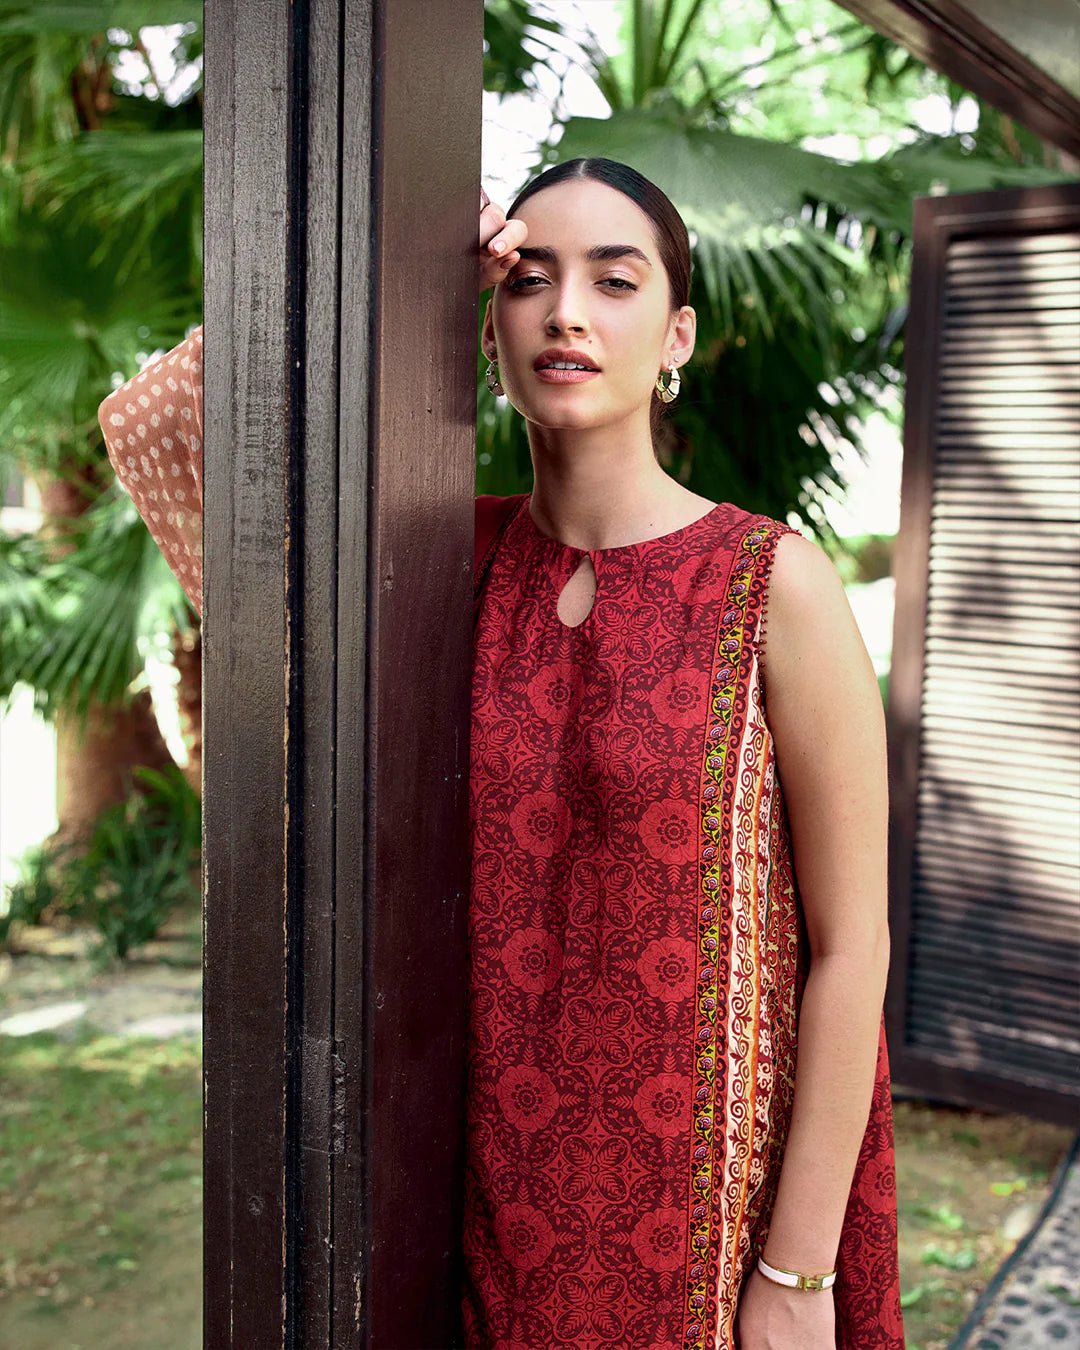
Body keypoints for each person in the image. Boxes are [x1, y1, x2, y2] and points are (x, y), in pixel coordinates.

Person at [98, 157, 906, 1350]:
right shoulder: (432, 571)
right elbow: (160, 421)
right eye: (528, 280)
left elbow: (852, 947)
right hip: (475, 1213)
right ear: (487, 329)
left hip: (720, 1231)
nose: (566, 311)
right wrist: (400, 263)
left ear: (676, 334)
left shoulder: (771, 583)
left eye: (614, 281)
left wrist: (796, 1273)